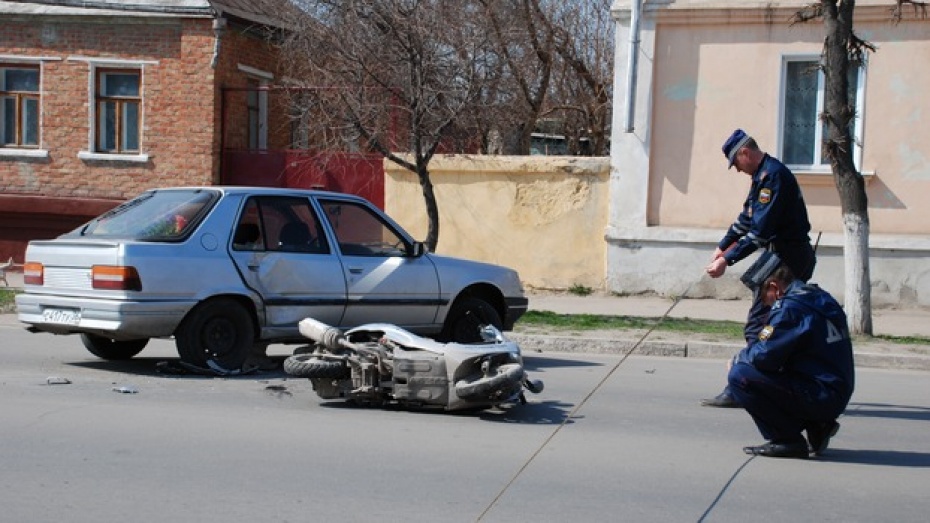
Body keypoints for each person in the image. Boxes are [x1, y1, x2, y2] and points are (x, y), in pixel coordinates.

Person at [702, 129, 816, 408]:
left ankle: (744, 385)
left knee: (760, 322)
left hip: (787, 258)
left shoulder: (772, 177)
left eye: (736, 163)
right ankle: (776, 382)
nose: (737, 170)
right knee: (777, 323)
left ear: (744, 153)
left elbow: (760, 233)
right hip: (782, 255)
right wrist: (724, 245)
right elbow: (746, 219)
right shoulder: (762, 176)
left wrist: (726, 261)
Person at [727, 253, 854, 458]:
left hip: (821, 394)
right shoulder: (817, 296)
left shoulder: (789, 309)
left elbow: (764, 356)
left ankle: (787, 440)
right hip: (834, 390)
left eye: (762, 296)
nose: (764, 304)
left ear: (775, 288)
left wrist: (738, 358)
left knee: (740, 375)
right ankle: (817, 424)